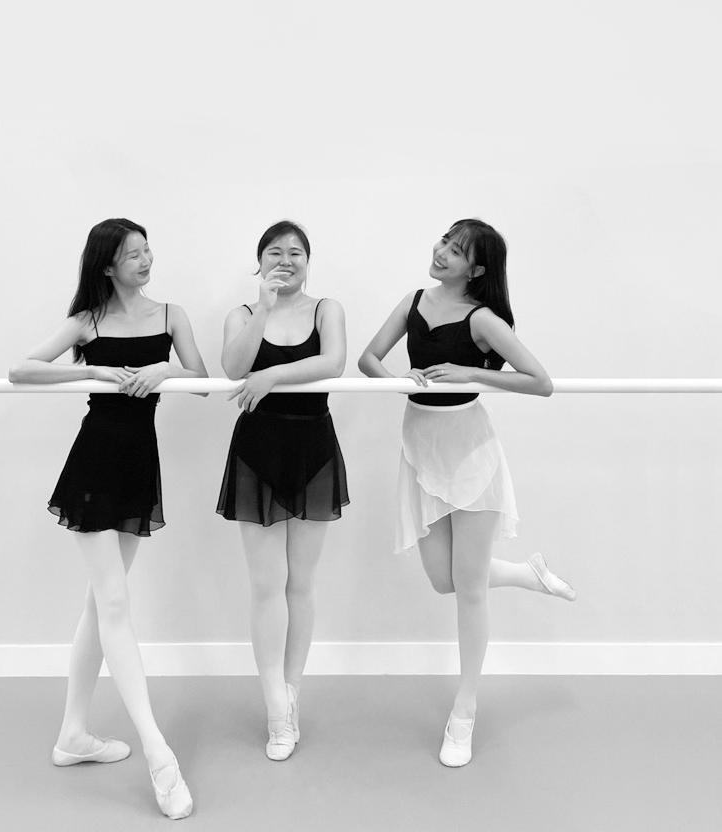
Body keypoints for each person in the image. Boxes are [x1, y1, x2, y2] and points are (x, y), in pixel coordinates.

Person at [358, 218, 575, 768]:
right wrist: (399, 382)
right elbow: (368, 358)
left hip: (471, 453)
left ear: (476, 270)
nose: (441, 253)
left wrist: (471, 374)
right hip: (420, 447)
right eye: (443, 242)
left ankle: (465, 710)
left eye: (455, 251)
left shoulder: (482, 319)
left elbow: (540, 381)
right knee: (443, 579)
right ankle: (526, 574)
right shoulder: (413, 301)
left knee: (470, 589)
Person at [9, 218, 207, 819]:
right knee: (115, 603)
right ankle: (158, 754)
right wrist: (92, 371)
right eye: (132, 254)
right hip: (95, 463)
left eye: (148, 251)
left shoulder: (171, 315)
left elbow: (204, 381)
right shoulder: (87, 322)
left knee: (101, 605)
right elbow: (22, 369)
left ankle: (73, 735)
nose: (146, 261)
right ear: (107, 265)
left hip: (139, 465)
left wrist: (166, 371)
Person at [217, 220, 349, 761]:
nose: (286, 260)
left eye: (296, 252)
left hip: (313, 447)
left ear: (309, 261)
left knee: (302, 584)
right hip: (258, 451)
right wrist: (265, 308)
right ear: (260, 261)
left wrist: (271, 377)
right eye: (275, 252)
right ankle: (275, 705)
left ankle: (291, 692)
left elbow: (333, 362)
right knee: (267, 585)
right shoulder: (243, 314)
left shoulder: (327, 309)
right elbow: (233, 366)